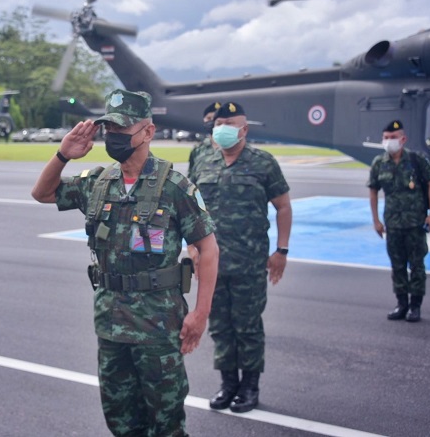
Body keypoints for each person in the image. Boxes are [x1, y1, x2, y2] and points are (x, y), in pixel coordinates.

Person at [31, 89, 219, 436]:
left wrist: (200, 313)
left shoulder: (174, 187)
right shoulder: (97, 183)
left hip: (158, 325)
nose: (113, 136)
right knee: (120, 418)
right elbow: (42, 193)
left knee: (165, 421)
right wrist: (62, 155)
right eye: (109, 129)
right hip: (111, 324)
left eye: (122, 129)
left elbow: (207, 249)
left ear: (148, 132)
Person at [188, 101, 292, 413]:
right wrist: (191, 246)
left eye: (229, 124)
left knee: (248, 327)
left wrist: (282, 250)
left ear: (244, 129)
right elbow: (191, 205)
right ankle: (228, 383)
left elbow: (283, 206)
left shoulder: (263, 162)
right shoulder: (201, 158)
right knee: (220, 325)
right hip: (211, 263)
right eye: (218, 124)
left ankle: (249, 386)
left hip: (249, 262)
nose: (222, 129)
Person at [368, 120, 430, 323]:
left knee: (417, 265)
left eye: (393, 137)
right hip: (393, 224)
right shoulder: (379, 163)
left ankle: (415, 306)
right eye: (386, 138)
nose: (389, 141)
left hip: (415, 223)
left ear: (403, 139)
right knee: (397, 265)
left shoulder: (417, 160)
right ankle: (401, 304)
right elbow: (373, 191)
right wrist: (376, 220)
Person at [187, 101, 220, 184]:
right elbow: (192, 177)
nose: (212, 121)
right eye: (208, 118)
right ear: (204, 120)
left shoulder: (232, 147)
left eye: (215, 118)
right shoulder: (198, 149)